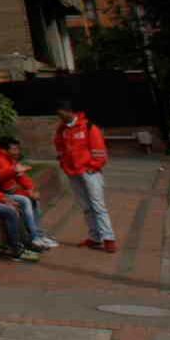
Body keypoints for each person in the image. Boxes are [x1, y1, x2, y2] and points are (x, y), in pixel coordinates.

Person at [56, 101, 116, 251]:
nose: (59, 117)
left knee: (98, 205)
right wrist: (64, 165)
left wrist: (93, 167)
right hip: (73, 173)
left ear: (69, 111)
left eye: (60, 114)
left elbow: (100, 150)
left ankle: (109, 239)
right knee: (86, 207)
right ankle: (95, 237)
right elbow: (60, 148)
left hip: (90, 172)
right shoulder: (62, 130)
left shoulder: (89, 127)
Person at [0, 140, 56, 250]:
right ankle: (34, 238)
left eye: (18, 149)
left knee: (33, 200)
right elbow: (7, 187)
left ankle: (39, 235)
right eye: (14, 149)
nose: (17, 152)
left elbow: (22, 177)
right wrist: (27, 193)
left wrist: (31, 189)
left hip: (6, 193)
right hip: (0, 194)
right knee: (25, 201)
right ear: (5, 150)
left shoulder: (10, 159)